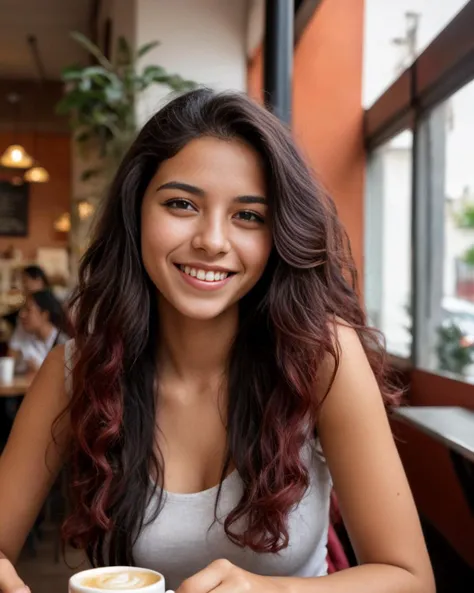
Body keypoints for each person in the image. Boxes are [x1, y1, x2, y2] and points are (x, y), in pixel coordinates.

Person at [0, 89, 435, 593]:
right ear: (136, 211)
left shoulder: (321, 358)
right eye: (181, 204)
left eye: (248, 215)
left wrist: (266, 590)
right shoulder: (77, 370)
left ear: (278, 236)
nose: (211, 240)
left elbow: (410, 579)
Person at [7, 290, 69, 373]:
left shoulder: (63, 343)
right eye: (22, 309)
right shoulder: (24, 334)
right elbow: (9, 365)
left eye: (28, 310)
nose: (21, 314)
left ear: (44, 315)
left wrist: (39, 371)